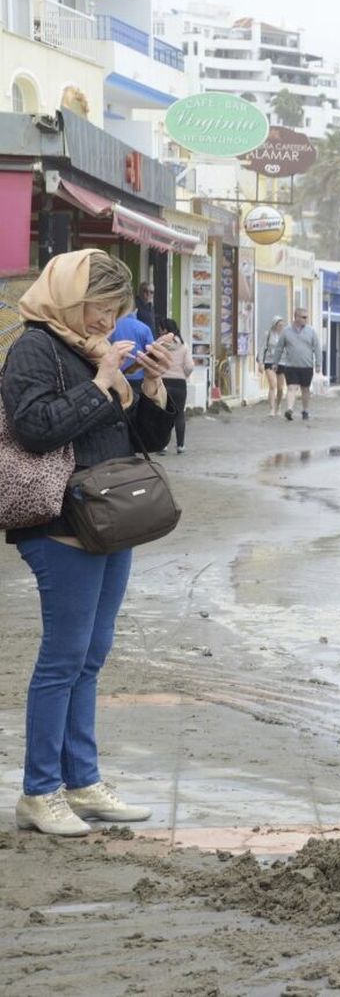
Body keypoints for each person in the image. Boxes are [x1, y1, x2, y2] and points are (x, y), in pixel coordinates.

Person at [1, 250, 177, 836]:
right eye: (99, 307)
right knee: (63, 658)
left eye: (114, 310)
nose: (107, 320)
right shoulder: (34, 349)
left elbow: (139, 440)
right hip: (57, 523)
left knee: (91, 656)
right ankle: (40, 792)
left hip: (108, 518)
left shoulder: (91, 350)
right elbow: (35, 429)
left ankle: (83, 781)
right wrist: (103, 383)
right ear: (69, 298)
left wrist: (154, 384)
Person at [156, 317, 195, 455]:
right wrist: (183, 374)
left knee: (164, 414)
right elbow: (190, 366)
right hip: (179, 383)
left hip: (163, 382)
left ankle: (163, 446)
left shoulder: (159, 345)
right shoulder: (184, 346)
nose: (159, 331)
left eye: (161, 329)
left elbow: (153, 361)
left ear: (166, 330)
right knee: (179, 415)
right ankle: (180, 446)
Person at [277, 308, 319, 421]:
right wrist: (275, 362)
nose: (306, 319)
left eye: (306, 317)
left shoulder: (311, 331)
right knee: (291, 387)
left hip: (307, 366)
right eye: (303, 317)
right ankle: (289, 410)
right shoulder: (286, 331)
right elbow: (279, 348)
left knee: (305, 389)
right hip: (291, 366)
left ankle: (305, 410)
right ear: (296, 317)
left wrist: (318, 364)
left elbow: (317, 348)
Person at [262, 316, 286, 416]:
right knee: (272, 385)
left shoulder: (285, 336)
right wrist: (260, 362)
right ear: (274, 325)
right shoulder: (268, 334)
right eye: (279, 325)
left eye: (282, 325)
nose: (281, 327)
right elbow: (262, 347)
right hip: (269, 361)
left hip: (282, 362)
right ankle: (271, 409)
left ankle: (278, 405)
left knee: (280, 388)